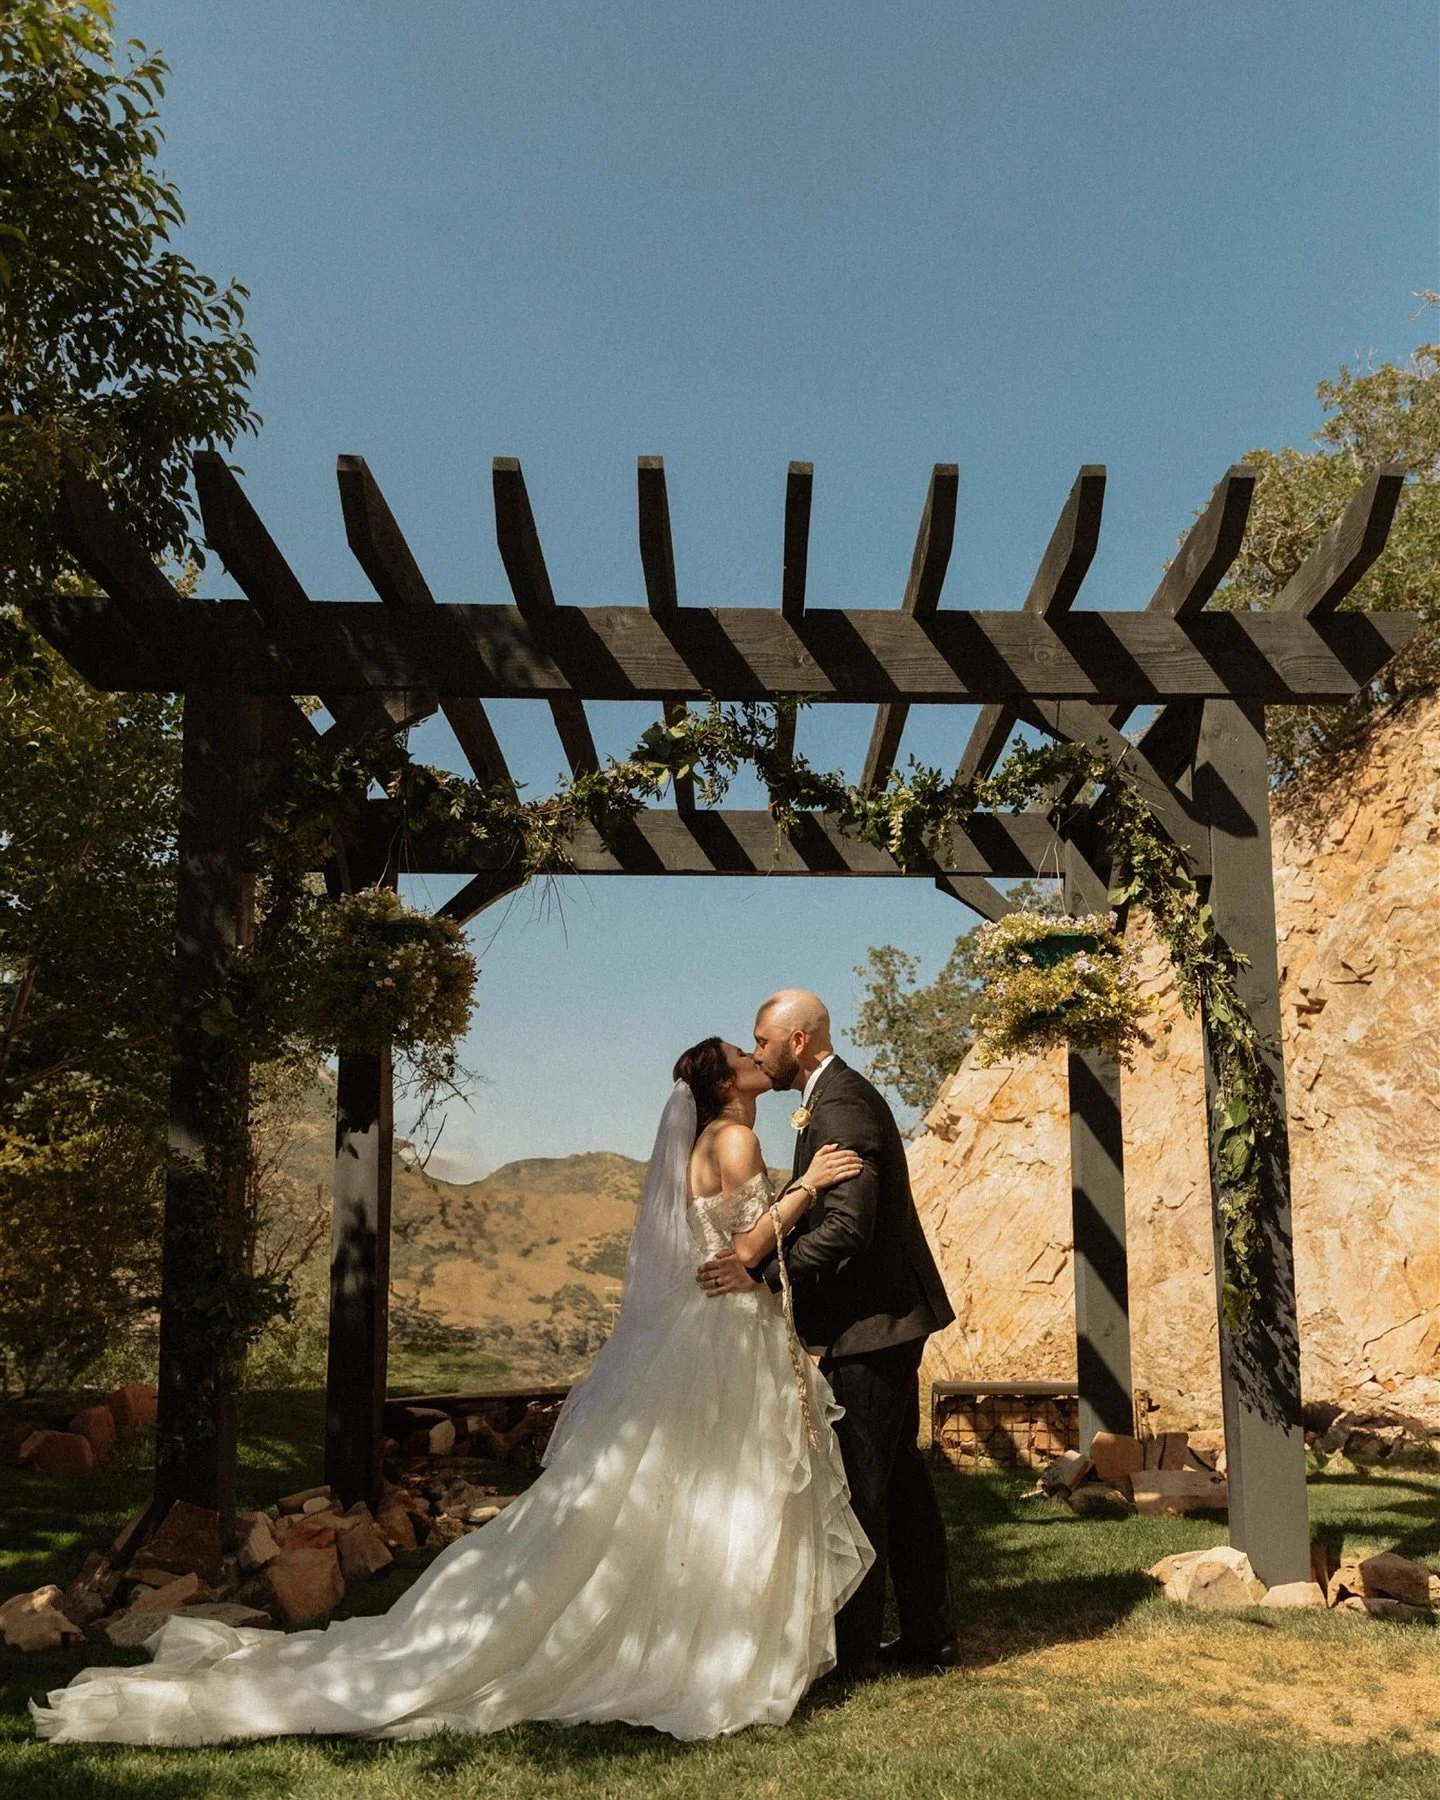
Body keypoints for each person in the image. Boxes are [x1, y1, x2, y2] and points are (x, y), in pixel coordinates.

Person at [32, 1039, 873, 1746]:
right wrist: (808, 1187)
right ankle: (711, 1649)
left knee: (692, 1488)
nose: (755, 1057)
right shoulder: (734, 1141)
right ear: (724, 1084)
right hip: (725, 1331)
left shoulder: (699, 1143)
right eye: (741, 1054)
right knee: (726, 1481)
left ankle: (701, 1634)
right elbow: (746, 1244)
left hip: (709, 1327)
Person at [697, 989, 958, 1680]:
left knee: (863, 1487)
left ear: (798, 1042)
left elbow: (848, 1228)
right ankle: (929, 1637)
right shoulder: (830, 1097)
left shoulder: (839, 1104)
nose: (757, 1053)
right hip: (879, 1319)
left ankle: (858, 1655)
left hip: (873, 1324)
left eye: (763, 1040)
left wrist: (770, 1280)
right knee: (899, 1482)